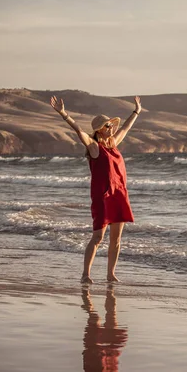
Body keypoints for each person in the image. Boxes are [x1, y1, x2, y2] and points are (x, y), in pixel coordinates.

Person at [50, 95, 142, 283]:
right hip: (102, 197)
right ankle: (86, 274)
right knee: (98, 237)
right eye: (108, 126)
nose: (112, 128)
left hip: (119, 195)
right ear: (99, 130)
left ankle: (110, 274)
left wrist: (136, 112)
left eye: (111, 125)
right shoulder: (94, 147)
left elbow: (126, 127)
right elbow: (78, 131)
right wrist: (63, 114)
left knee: (116, 239)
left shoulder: (114, 143)